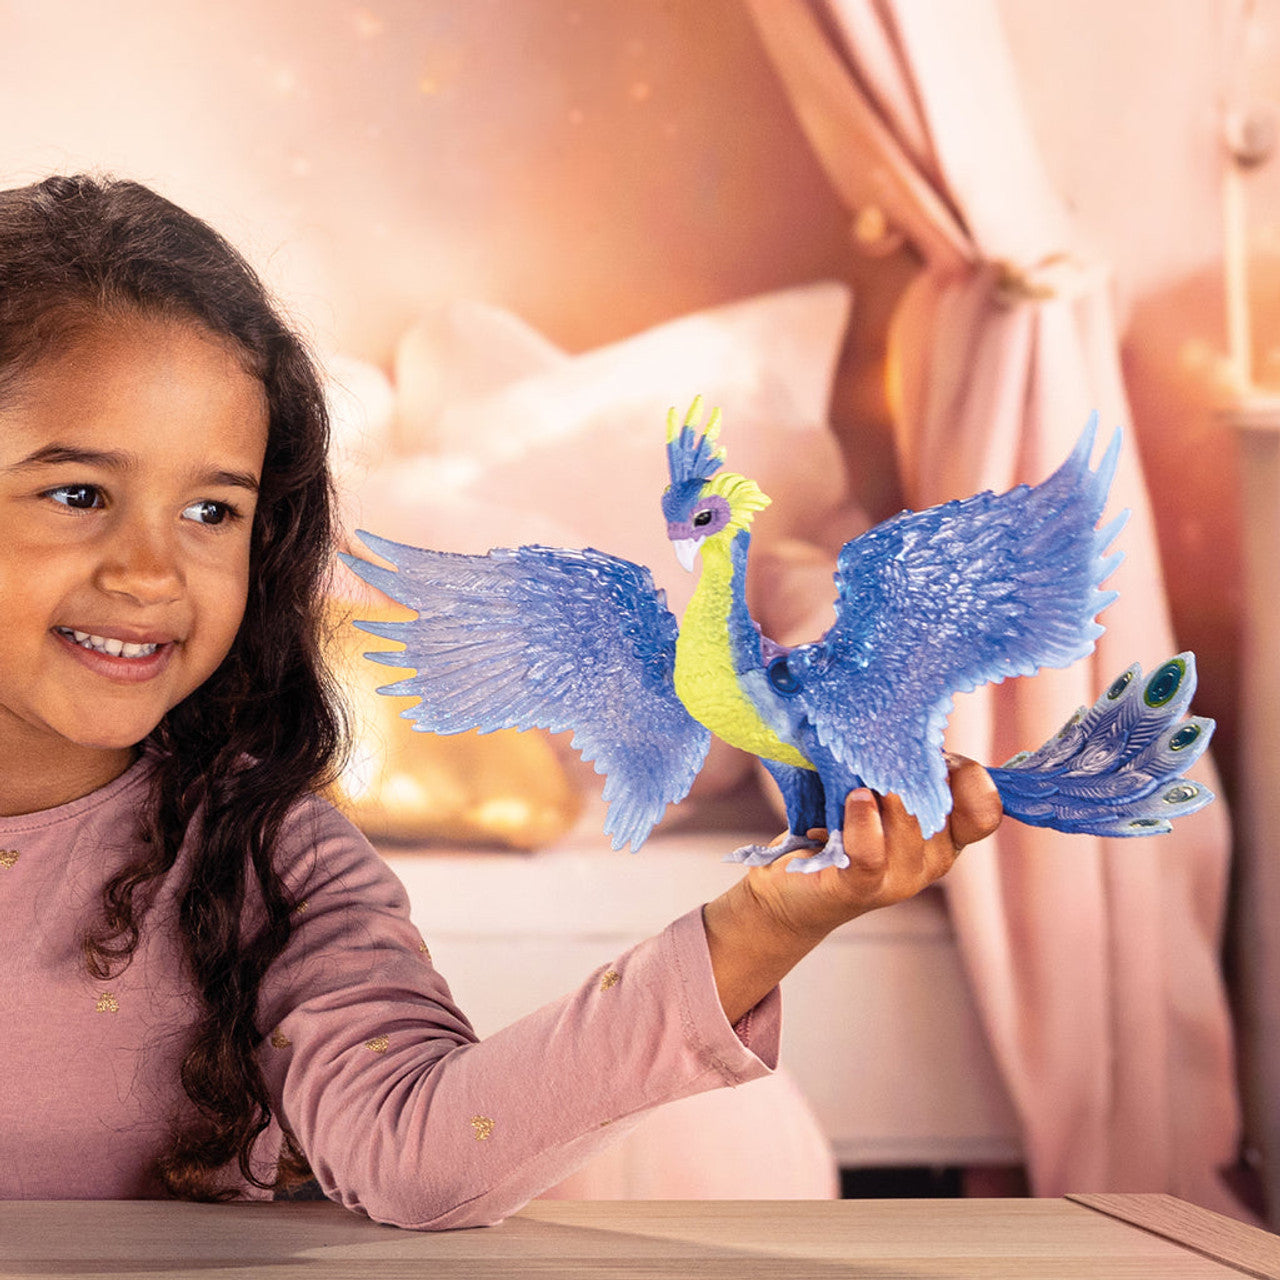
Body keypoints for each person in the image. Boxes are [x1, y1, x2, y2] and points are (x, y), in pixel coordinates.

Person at [0, 173, 1002, 1229]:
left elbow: (420, 1151)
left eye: (212, 510)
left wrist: (758, 926)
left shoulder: (270, 857)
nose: (151, 572)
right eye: (78, 494)